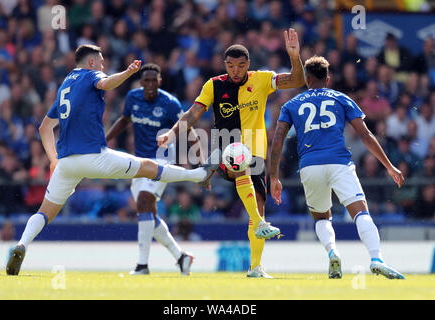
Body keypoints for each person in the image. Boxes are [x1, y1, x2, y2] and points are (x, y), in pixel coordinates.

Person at [6, 44, 220, 276]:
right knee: (148, 168)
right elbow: (107, 83)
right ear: (91, 63)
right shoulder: (91, 76)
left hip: (67, 162)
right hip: (94, 156)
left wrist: (53, 159)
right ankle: (198, 175)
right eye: (101, 61)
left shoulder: (65, 85)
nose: (103, 65)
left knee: (45, 212)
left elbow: (45, 127)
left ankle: (21, 245)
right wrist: (128, 72)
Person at [158, 29, 306, 278]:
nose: (235, 70)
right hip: (226, 149)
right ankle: (259, 223)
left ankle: (256, 267)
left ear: (247, 64)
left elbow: (296, 81)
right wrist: (171, 134)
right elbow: (192, 114)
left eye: (240, 66)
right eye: (230, 65)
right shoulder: (214, 85)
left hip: (257, 153)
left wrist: (294, 56)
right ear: (224, 64)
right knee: (238, 158)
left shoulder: (261, 79)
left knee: (258, 205)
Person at [269, 56, 405, 280]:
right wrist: (389, 166)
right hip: (340, 162)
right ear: (328, 79)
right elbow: (365, 134)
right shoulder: (341, 99)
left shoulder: (291, 104)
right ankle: (376, 258)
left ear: (307, 79)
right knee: (360, 212)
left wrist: (274, 176)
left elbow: (277, 141)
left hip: (310, 166)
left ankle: (333, 252)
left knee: (322, 218)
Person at [106, 63, 199, 276]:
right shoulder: (132, 98)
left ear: (159, 81)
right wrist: (104, 140)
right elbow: (124, 120)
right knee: (148, 214)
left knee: (143, 201)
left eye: (153, 81)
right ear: (141, 82)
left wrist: (198, 161)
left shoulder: (170, 103)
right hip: (139, 163)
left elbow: (187, 128)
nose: (149, 85)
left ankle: (142, 265)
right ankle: (181, 257)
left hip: (161, 160)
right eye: (145, 80)